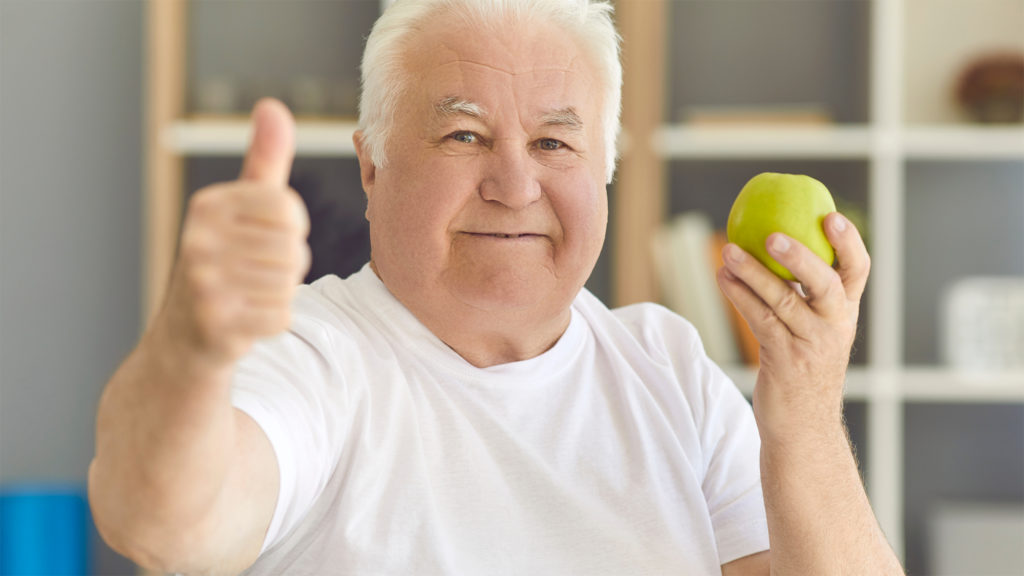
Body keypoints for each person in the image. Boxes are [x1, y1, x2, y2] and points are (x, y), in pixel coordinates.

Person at [88, 0, 905, 574]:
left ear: (605, 173)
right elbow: (162, 525)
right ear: (373, 166)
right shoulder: (310, 355)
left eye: (555, 143)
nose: (514, 185)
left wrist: (802, 415)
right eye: (464, 133)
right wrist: (191, 348)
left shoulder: (670, 367)